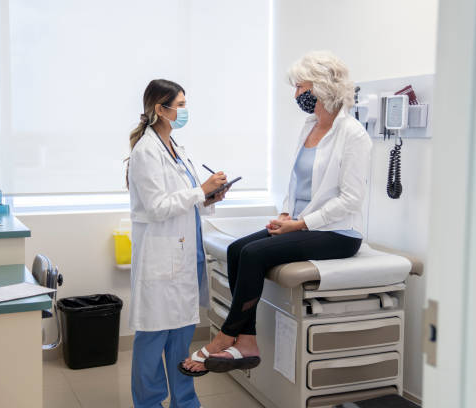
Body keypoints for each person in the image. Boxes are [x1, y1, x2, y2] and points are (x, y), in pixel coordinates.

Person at [180, 51, 372, 375]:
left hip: (338, 233)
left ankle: (227, 336)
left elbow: (351, 199)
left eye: (300, 86)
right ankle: (247, 342)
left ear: (323, 85)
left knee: (254, 254)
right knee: (237, 249)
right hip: (304, 224)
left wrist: (302, 223)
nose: (297, 94)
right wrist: (286, 215)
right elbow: (297, 182)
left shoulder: (353, 135)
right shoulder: (309, 127)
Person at [127, 79, 228, 407]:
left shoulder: (178, 150)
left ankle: (185, 402)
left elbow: (187, 199)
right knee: (153, 338)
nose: (184, 111)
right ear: (160, 109)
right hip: (160, 257)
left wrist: (210, 195)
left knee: (182, 337)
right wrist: (201, 189)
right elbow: (158, 207)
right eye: (180, 105)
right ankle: (148, 402)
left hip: (186, 255)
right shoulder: (146, 151)